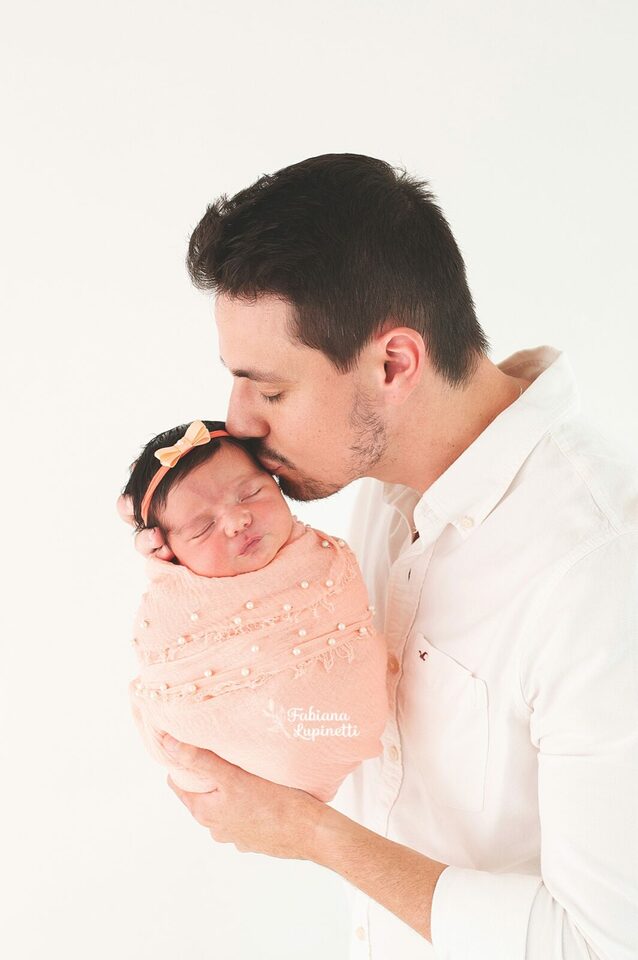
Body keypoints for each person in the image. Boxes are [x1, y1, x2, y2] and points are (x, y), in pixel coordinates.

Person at [118, 154, 637, 960]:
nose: (238, 422)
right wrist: (189, 569)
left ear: (393, 364)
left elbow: (604, 943)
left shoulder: (597, 569)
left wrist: (313, 834)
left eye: (271, 390)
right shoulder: (385, 489)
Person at [123, 418, 389, 800]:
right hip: (231, 775)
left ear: (276, 481)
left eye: (250, 493)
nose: (236, 521)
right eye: (202, 528)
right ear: (166, 551)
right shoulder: (177, 603)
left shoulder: (319, 556)